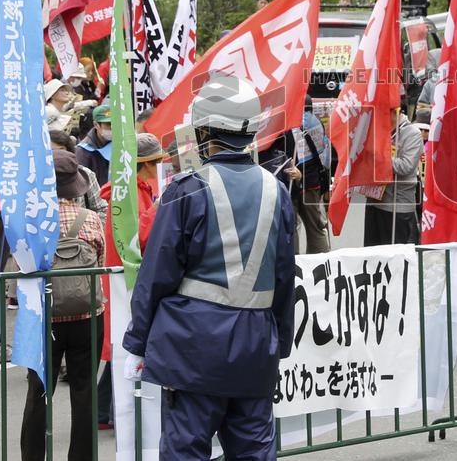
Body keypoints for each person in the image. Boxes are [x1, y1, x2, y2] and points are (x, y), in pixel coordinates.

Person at [123, 73, 295, 460]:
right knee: (253, 448)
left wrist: (137, 343)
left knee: (186, 448)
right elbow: (285, 277)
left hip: (194, 348)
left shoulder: (186, 189)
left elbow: (156, 276)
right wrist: (279, 343)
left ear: (205, 132)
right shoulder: (277, 190)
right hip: (255, 347)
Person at [20, 149, 105, 461]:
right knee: (84, 392)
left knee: (39, 393)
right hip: (87, 316)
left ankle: (32, 456)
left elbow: (22, 267)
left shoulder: (31, 223)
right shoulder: (92, 220)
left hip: (45, 318)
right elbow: (100, 262)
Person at [95, 133, 166, 431]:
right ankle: (106, 413)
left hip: (124, 277)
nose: (159, 167)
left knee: (123, 345)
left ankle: (102, 413)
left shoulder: (133, 190)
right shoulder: (132, 194)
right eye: (156, 162)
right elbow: (140, 235)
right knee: (127, 343)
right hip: (127, 278)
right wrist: (161, 207)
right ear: (145, 164)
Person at [363, 108, 423, 246]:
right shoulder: (377, 130)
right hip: (374, 199)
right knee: (371, 253)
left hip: (397, 204)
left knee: (394, 257)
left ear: (396, 111)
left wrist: (378, 157)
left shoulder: (412, 133)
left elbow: (406, 166)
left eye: (382, 112)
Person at [291, 96, 332, 254]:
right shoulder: (318, 122)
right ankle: (320, 263)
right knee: (315, 227)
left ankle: (295, 267)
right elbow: (326, 158)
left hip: (293, 182)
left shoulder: (292, 124)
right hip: (313, 183)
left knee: (292, 227)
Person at [51, 130, 108, 225]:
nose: (57, 155)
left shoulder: (85, 174)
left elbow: (102, 210)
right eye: (51, 151)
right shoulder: (34, 179)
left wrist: (88, 227)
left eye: (60, 150)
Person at [77, 103, 113, 185]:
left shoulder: (121, 144)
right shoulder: (83, 150)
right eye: (108, 124)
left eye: (114, 123)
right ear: (96, 125)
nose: (112, 128)